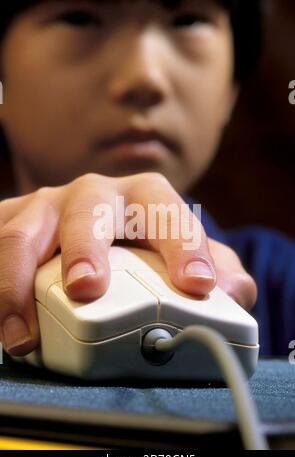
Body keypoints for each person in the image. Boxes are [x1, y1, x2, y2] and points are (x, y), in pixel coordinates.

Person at [0, 0, 293, 359]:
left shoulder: (282, 283)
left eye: (189, 21)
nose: (145, 78)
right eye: (79, 18)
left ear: (232, 87)